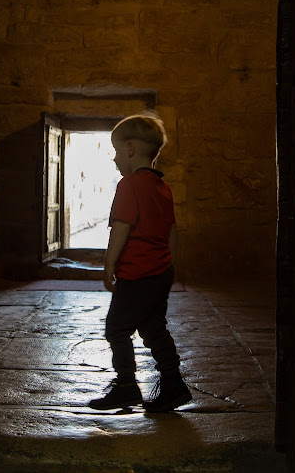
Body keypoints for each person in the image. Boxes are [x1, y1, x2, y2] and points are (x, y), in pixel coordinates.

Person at [88, 113, 192, 412]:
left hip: (136, 275)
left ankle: (125, 387)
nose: (114, 158)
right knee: (153, 327)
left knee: (116, 330)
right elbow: (172, 230)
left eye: (117, 151)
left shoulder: (129, 185)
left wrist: (108, 266)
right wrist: (170, 265)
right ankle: (173, 384)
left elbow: (120, 228)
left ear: (131, 149)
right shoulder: (163, 187)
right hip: (160, 272)